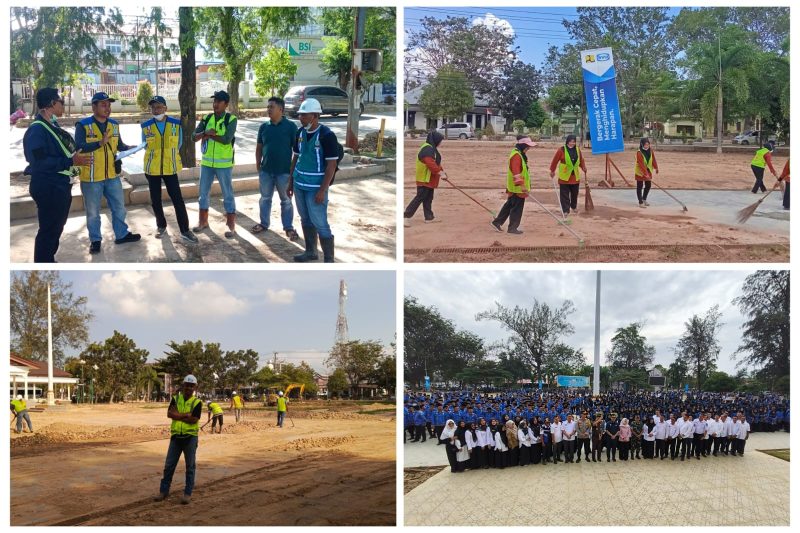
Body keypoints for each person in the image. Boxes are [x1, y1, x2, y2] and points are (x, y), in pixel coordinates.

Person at [23, 88, 92, 262]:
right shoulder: (37, 130)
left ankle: (48, 259)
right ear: (52, 104)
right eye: (60, 102)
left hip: (59, 185)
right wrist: (70, 162)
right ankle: (43, 263)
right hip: (48, 186)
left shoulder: (51, 126)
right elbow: (39, 162)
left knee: (55, 227)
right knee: (48, 230)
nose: (63, 104)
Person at [75, 92, 141, 254]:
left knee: (119, 207)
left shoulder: (113, 124)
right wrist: (99, 143)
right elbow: (79, 148)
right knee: (93, 212)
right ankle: (95, 240)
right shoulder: (83, 125)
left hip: (112, 175)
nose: (108, 108)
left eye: (109, 105)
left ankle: (121, 234)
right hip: (91, 177)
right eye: (103, 105)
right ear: (94, 107)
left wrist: (129, 148)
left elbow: (119, 145)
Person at [287, 98, 339, 263]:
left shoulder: (327, 136)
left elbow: (331, 165)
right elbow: (295, 157)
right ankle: (310, 251)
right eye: (300, 115)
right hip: (299, 183)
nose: (300, 118)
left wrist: (322, 190)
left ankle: (329, 259)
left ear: (315, 115)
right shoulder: (300, 133)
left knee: (320, 221)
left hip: (315, 187)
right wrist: (290, 181)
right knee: (305, 218)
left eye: (304, 115)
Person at [140, 96, 197, 244]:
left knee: (177, 200)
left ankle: (185, 230)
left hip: (170, 168)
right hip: (152, 169)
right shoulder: (146, 126)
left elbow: (178, 144)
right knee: (155, 200)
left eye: (159, 107)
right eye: (153, 107)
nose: (156, 110)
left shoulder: (176, 124)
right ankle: (161, 226)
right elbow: (144, 145)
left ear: (165, 108)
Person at [252, 96, 300, 240]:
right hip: (266, 171)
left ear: (281, 109)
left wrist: (292, 171)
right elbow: (259, 147)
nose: (268, 110)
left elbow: (297, 151)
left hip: (284, 172)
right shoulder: (264, 127)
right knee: (265, 199)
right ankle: (264, 223)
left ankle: (288, 227)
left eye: (271, 107)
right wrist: (258, 166)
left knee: (286, 200)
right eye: (268, 107)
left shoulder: (291, 127)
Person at [193, 90, 238, 238]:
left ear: (226, 104)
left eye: (219, 101)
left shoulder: (231, 119)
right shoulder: (207, 118)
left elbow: (226, 139)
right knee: (203, 193)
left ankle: (231, 225)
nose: (215, 104)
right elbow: (194, 136)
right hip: (206, 163)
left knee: (228, 194)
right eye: (214, 101)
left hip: (224, 165)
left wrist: (211, 135)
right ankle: (203, 221)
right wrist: (206, 133)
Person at [154, 374, 203, 504]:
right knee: (169, 466)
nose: (189, 388)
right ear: (183, 385)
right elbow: (170, 414)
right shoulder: (175, 399)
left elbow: (194, 420)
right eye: (187, 385)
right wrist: (185, 415)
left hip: (190, 438)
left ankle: (187, 493)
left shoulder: (197, 402)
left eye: (191, 386)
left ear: (194, 387)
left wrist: (178, 415)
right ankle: (163, 491)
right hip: (176, 437)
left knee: (190, 467)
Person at [492, 136, 536, 234]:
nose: (528, 149)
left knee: (509, 205)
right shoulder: (516, 155)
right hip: (517, 187)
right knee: (517, 208)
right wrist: (522, 185)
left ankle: (497, 222)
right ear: (523, 145)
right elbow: (516, 172)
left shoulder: (519, 154)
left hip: (515, 186)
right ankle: (512, 228)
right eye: (527, 146)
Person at [404, 130, 446, 227]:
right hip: (424, 179)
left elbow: (436, 163)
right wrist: (440, 172)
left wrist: (443, 172)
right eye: (440, 141)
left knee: (428, 198)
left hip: (429, 179)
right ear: (435, 140)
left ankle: (429, 217)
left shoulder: (431, 148)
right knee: (419, 198)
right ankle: (405, 216)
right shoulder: (427, 149)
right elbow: (430, 163)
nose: (440, 143)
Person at [549, 134, 587, 216]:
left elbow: (581, 160)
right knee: (564, 195)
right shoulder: (561, 150)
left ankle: (573, 207)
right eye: (570, 141)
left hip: (575, 177)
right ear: (567, 141)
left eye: (573, 142)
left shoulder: (577, 149)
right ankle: (565, 210)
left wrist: (583, 167)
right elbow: (555, 161)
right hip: (564, 177)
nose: (572, 143)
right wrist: (552, 170)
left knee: (574, 193)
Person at [634, 137, 658, 208]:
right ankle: (640, 202)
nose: (647, 146)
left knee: (648, 185)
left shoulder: (650, 150)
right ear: (642, 144)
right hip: (640, 172)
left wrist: (656, 167)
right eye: (645, 145)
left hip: (648, 170)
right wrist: (645, 174)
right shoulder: (639, 153)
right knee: (639, 186)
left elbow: (653, 159)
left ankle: (644, 199)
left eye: (648, 144)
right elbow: (641, 165)